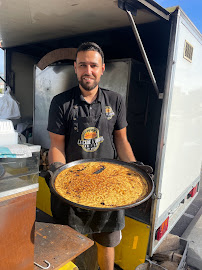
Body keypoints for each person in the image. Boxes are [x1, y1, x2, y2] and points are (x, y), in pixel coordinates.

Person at [47, 42, 136, 270]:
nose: (89, 71)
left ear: (102, 68)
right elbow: (56, 145)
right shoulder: (61, 103)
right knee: (70, 244)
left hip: (109, 186)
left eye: (93, 66)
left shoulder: (115, 100)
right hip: (73, 188)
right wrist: (58, 172)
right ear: (75, 68)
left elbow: (121, 141)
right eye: (83, 65)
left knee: (107, 242)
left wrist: (134, 168)